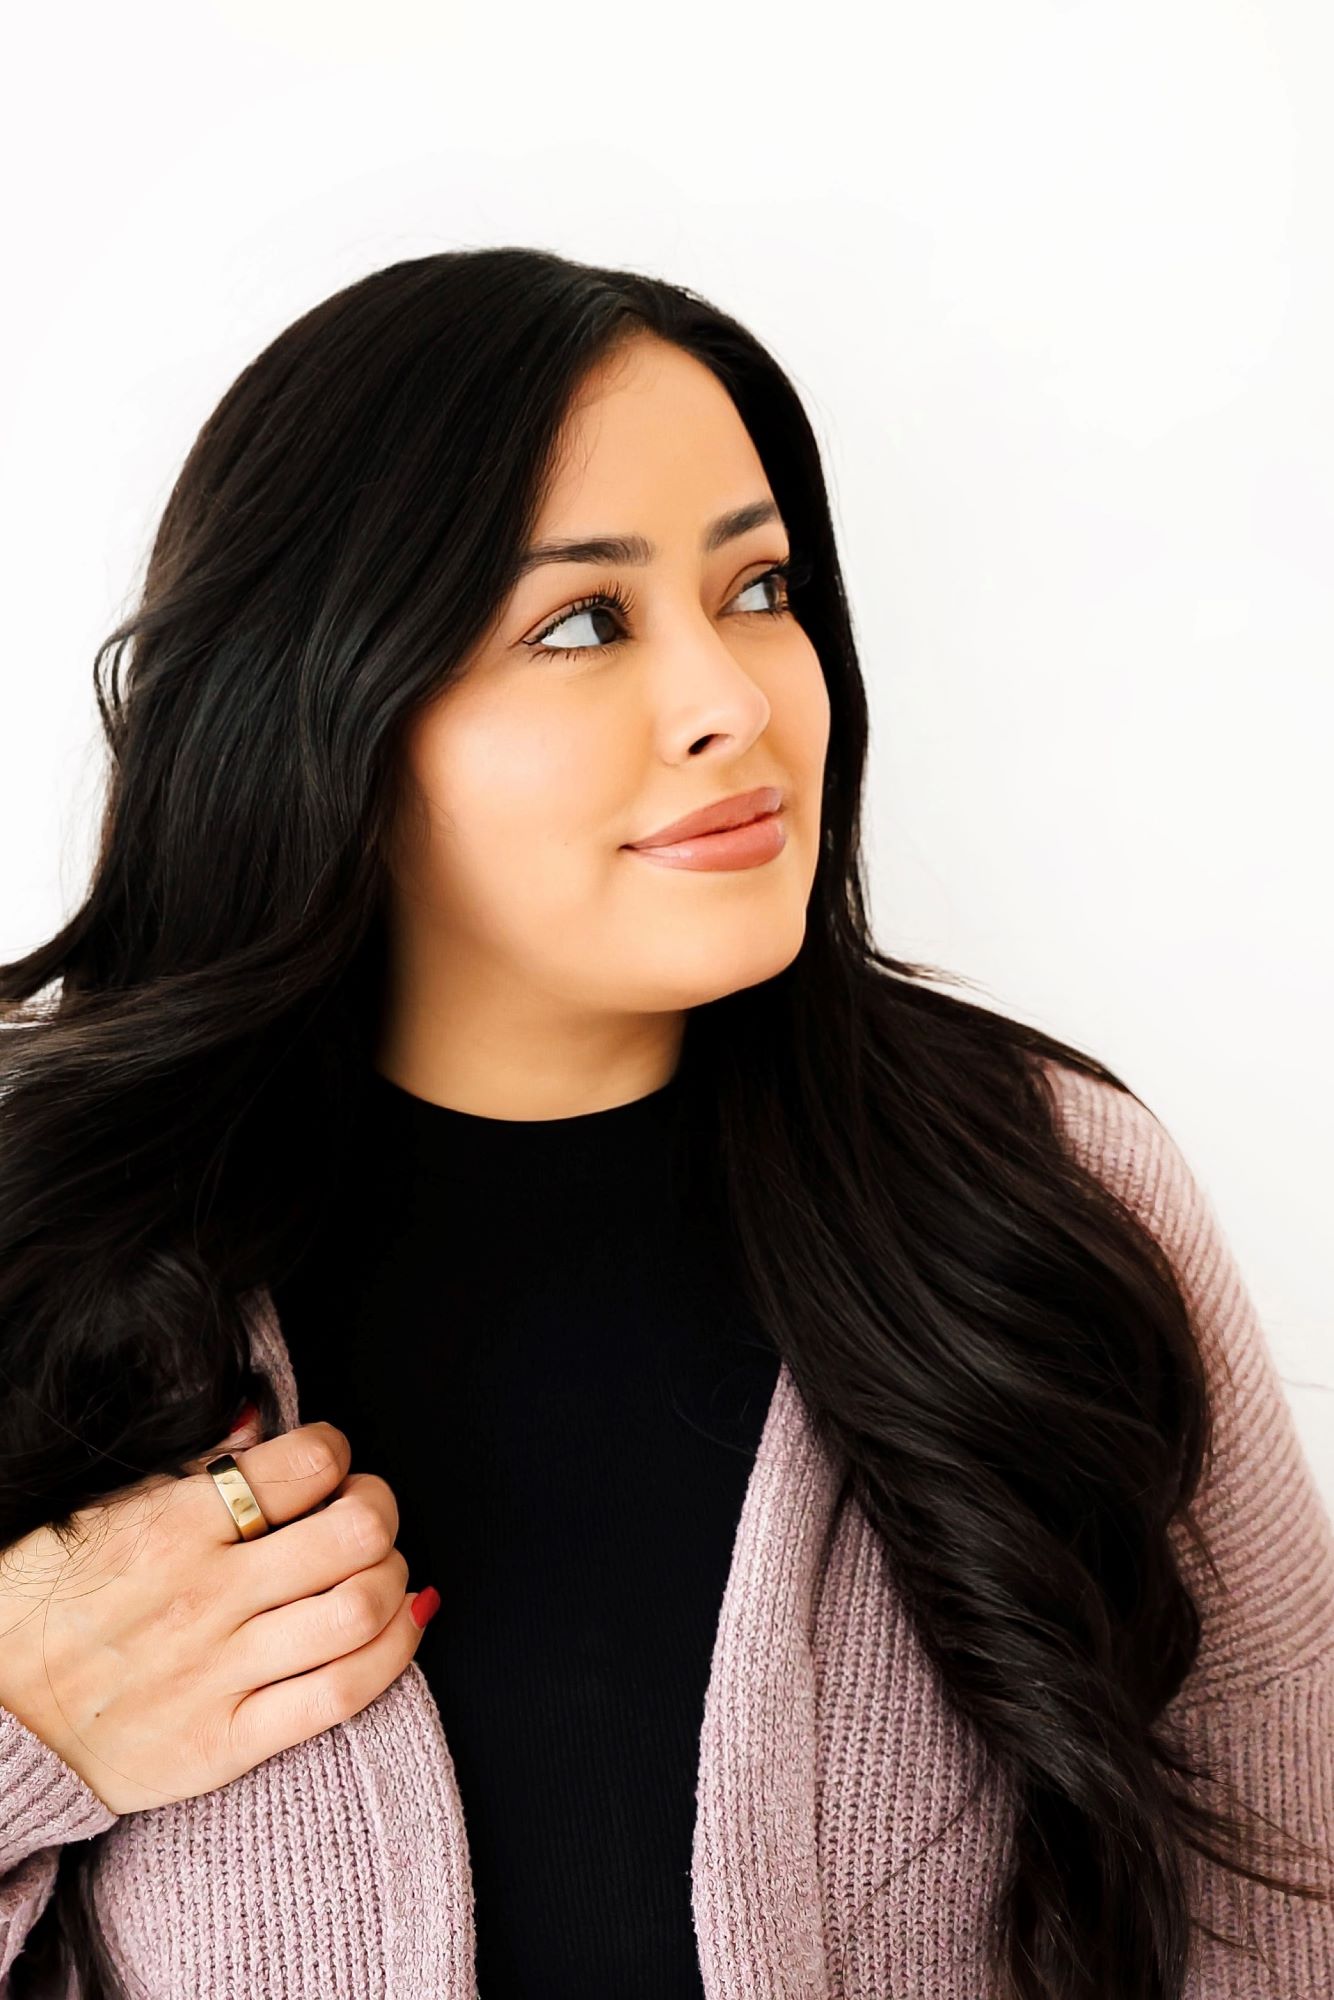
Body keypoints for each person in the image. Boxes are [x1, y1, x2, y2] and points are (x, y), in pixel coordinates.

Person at [1, 246, 1330, 2000]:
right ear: (320, 705)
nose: (735, 701)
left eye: (759, 589)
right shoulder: (40, 1246)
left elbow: (1282, 1910)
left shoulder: (1050, 1196)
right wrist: (22, 1724)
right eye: (581, 623)